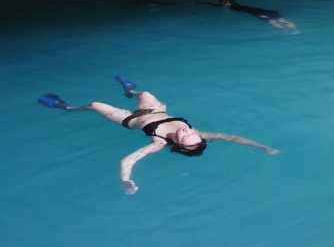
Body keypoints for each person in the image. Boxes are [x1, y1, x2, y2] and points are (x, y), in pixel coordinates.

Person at [38, 76, 279, 194]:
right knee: (146, 92)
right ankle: (130, 90)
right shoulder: (199, 134)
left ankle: (66, 107)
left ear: (178, 144)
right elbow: (233, 138)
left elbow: (128, 160)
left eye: (185, 135)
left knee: (94, 103)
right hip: (155, 109)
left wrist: (126, 180)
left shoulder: (158, 142)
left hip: (129, 119)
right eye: (191, 131)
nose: (187, 130)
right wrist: (262, 147)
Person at [205, 0, 296, 30]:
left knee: (264, 17)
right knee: (269, 14)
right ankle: (285, 23)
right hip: (250, 9)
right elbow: (222, 2)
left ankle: (281, 25)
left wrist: (208, 4)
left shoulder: (229, 5)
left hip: (249, 11)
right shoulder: (232, 4)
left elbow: (220, 4)